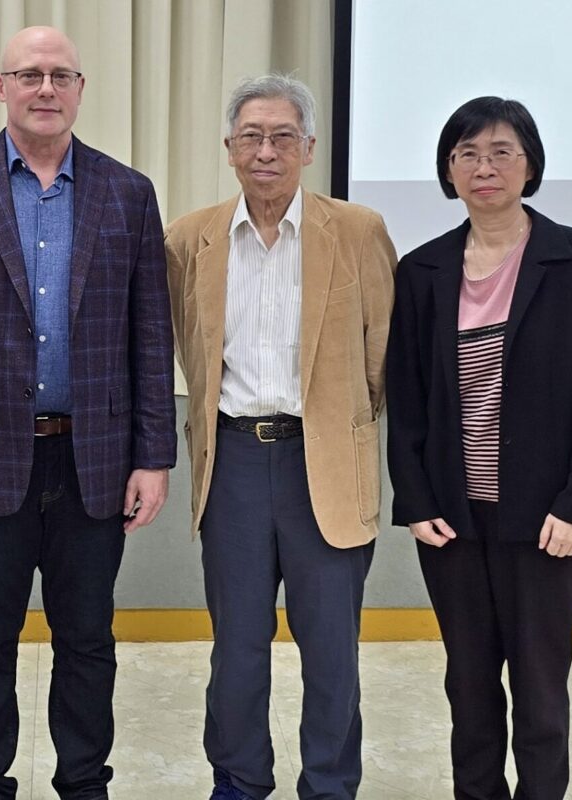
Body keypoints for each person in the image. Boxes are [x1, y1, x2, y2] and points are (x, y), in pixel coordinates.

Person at [0, 25, 176, 800]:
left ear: (81, 89)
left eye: (60, 75)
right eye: (28, 75)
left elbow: (148, 334)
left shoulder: (127, 193)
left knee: (87, 639)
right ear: (0, 88)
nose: (45, 89)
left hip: (94, 459)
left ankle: (83, 780)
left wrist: (153, 456)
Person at [386, 96, 572, 800]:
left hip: (546, 519)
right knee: (467, 687)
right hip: (453, 520)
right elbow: (405, 399)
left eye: (499, 152)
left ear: (529, 166)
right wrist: (416, 500)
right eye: (466, 154)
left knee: (539, 692)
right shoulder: (422, 270)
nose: (482, 168)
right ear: (447, 169)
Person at [165, 74, 397, 800]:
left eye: (282, 137)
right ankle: (238, 781)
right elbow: (183, 348)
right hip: (231, 460)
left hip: (323, 461)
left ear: (309, 148)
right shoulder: (189, 238)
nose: (266, 151)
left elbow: (384, 352)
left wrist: (346, 430)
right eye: (251, 137)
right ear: (229, 148)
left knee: (332, 651)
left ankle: (328, 785)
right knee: (236, 649)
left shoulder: (356, 230)